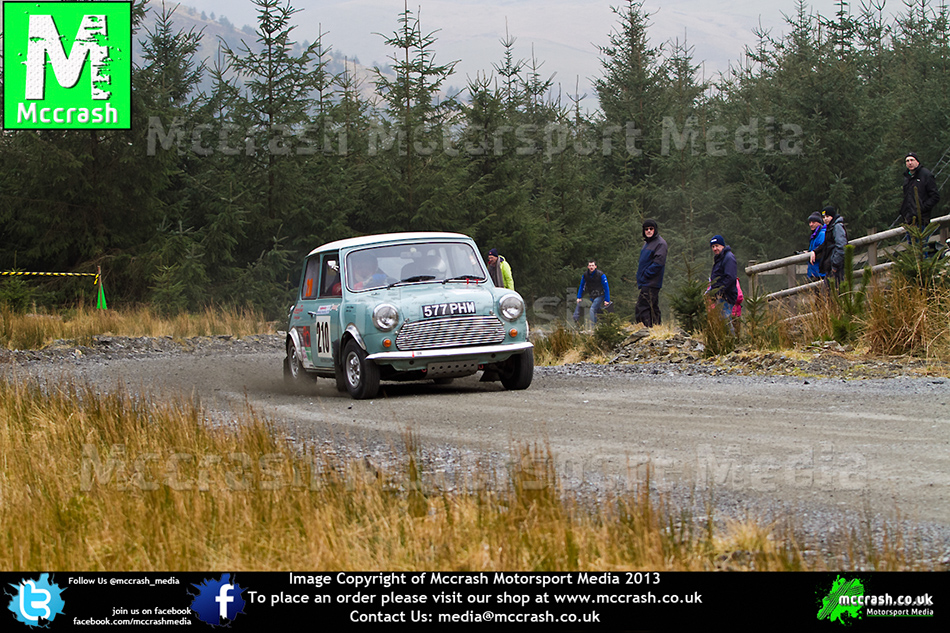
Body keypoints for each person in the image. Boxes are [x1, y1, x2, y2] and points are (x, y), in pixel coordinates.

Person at [635, 218, 667, 327]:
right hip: (646, 281)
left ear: (655, 230)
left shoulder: (660, 244)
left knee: (642, 307)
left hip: (651, 281)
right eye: (646, 229)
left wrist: (646, 275)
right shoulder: (647, 243)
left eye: (651, 229)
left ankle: (646, 330)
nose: (648, 231)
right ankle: (656, 328)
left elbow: (659, 263)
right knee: (652, 307)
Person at [900, 152, 939, 228]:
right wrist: (903, 211)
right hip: (909, 220)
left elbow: (935, 196)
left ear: (917, 161)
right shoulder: (907, 177)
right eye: (907, 161)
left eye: (912, 160)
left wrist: (921, 208)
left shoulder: (926, 175)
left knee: (922, 239)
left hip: (922, 219)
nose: (910, 163)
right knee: (910, 240)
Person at [707, 235, 738, 328]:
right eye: (713, 247)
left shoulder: (728, 258)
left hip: (726, 296)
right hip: (720, 295)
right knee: (722, 321)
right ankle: (728, 340)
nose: (715, 249)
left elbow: (730, 278)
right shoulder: (720, 258)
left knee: (725, 321)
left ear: (722, 245)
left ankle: (731, 341)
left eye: (717, 246)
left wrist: (721, 291)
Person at [574, 259, 611, 326]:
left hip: (600, 295)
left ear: (595, 266)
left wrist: (607, 300)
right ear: (588, 267)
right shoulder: (585, 275)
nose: (591, 267)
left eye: (592, 265)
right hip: (592, 295)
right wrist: (579, 297)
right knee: (597, 311)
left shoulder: (601, 275)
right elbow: (582, 286)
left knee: (592, 309)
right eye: (590, 265)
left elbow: (606, 287)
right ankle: (604, 323)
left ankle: (592, 328)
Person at [820, 205, 848, 284]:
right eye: (823, 217)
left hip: (836, 267)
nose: (825, 219)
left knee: (835, 290)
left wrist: (835, 264)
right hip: (831, 266)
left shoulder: (837, 227)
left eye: (827, 216)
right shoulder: (829, 228)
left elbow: (841, 246)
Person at [806, 211, 826, 282]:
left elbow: (823, 248)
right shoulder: (815, 235)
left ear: (819, 222)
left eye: (813, 222)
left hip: (820, 272)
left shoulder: (821, 234)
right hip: (815, 272)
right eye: (810, 222)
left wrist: (814, 252)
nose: (811, 224)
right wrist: (808, 252)